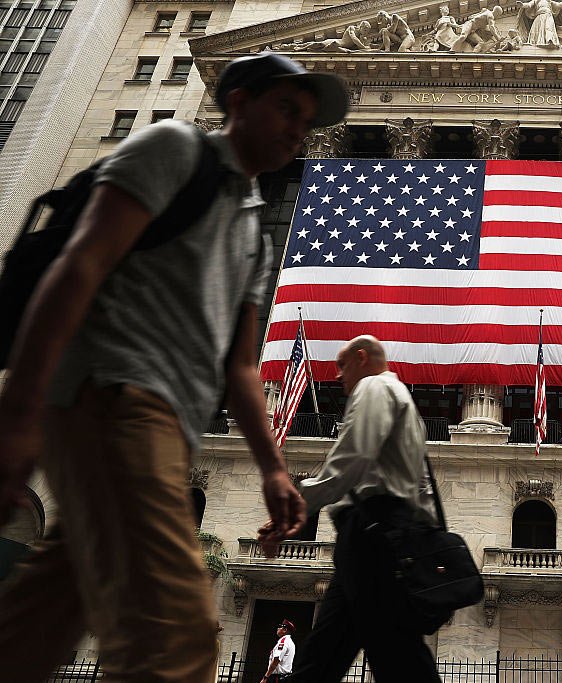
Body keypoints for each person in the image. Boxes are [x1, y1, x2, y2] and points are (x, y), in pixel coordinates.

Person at [0, 52, 349, 681]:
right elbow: (79, 266)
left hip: (170, 429)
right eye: (286, 109)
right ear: (239, 101)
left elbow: (242, 369)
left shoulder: (255, 232)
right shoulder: (171, 148)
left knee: (38, 622)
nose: (298, 130)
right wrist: (19, 417)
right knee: (181, 638)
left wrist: (274, 469)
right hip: (114, 400)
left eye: (306, 119)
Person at [261, 336, 441, 682]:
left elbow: (351, 459)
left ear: (362, 358)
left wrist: (295, 506)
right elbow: (421, 487)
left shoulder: (374, 387)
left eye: (342, 365)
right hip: (380, 534)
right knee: (329, 653)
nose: (338, 375)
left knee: (391, 655)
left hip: (372, 533)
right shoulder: (404, 401)